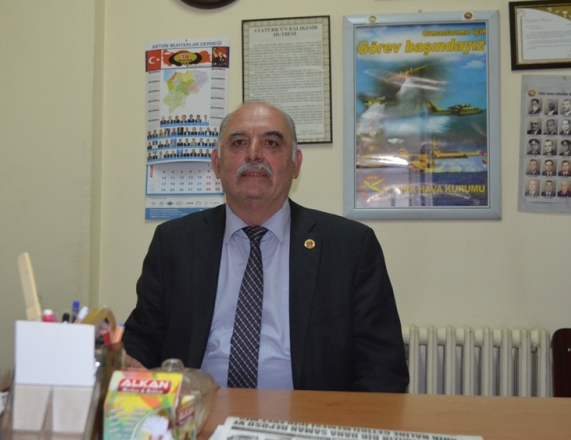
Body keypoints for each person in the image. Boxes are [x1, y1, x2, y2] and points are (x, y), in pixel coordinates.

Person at [123, 102, 409, 393]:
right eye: (239, 143)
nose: (253, 154)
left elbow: (382, 368)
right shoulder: (175, 242)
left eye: (271, 143)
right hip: (199, 410)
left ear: (295, 164)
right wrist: (129, 363)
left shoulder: (350, 247)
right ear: (217, 164)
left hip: (310, 415)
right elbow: (143, 340)